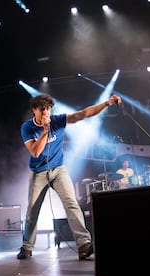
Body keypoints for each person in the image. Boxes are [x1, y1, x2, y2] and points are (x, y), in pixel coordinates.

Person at [18, 93, 122, 260]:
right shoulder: (27, 128)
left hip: (59, 170)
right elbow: (36, 152)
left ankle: (84, 245)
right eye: (42, 110)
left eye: (48, 109)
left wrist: (107, 103)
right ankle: (26, 247)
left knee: (72, 204)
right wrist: (45, 131)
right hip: (39, 173)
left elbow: (83, 114)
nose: (46, 113)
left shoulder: (57, 120)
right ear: (34, 111)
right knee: (32, 211)